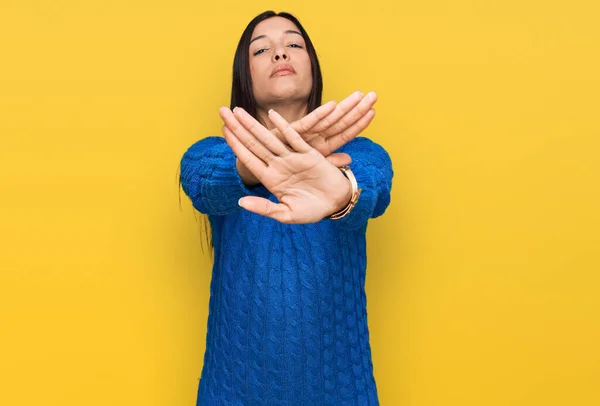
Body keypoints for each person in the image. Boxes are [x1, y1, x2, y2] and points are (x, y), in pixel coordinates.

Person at [179, 10, 393, 406]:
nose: (280, 54)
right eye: (262, 50)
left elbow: (374, 185)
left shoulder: (361, 155)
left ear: (313, 68)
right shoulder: (213, 156)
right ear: (244, 77)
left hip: (343, 394)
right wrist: (258, 162)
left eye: (294, 44)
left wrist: (343, 192)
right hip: (231, 395)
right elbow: (201, 181)